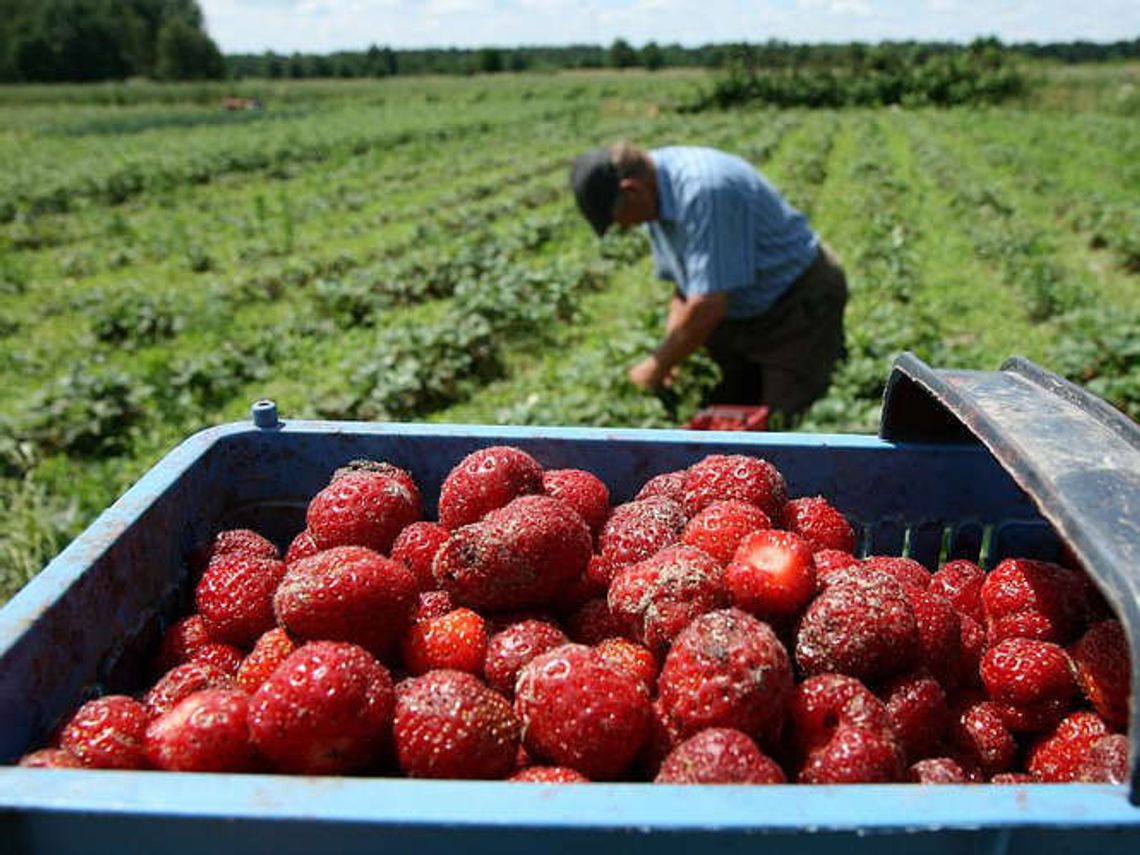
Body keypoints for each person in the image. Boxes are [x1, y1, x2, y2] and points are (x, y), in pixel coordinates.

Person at [570, 142, 848, 422]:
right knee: (728, 410)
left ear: (632, 190)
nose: (626, 227)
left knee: (780, 421)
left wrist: (655, 366)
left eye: (619, 220)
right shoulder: (655, 193)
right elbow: (684, 288)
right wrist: (671, 353)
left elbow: (708, 305)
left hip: (796, 303)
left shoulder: (705, 192)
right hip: (740, 308)